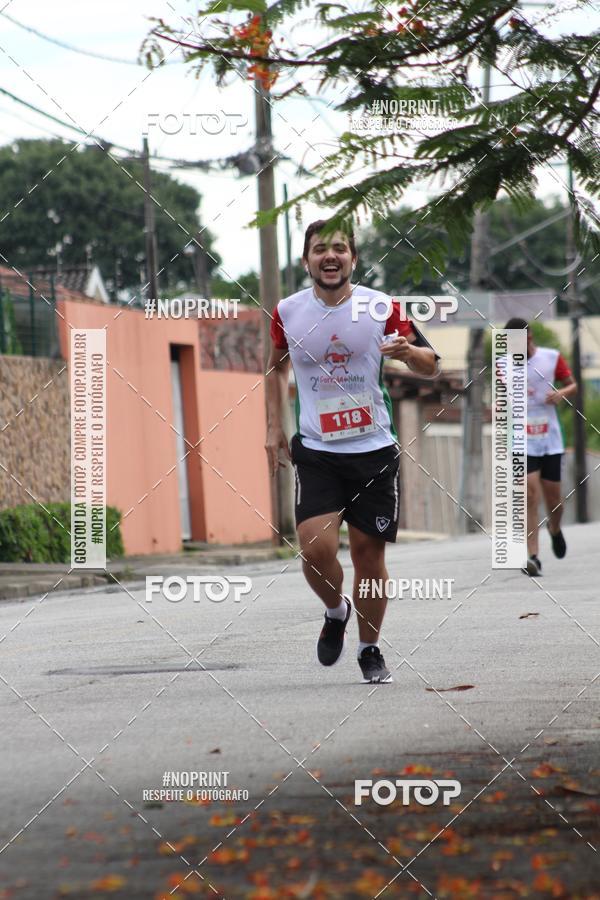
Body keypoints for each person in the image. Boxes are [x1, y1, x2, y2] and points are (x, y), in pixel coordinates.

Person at [265, 219, 439, 683]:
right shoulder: (287, 311)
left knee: (367, 555)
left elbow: (431, 365)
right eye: (320, 248)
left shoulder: (380, 307)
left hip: (374, 451)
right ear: (306, 261)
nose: (330, 256)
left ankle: (369, 648)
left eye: (339, 248)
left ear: (353, 259)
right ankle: (335, 610)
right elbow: (275, 368)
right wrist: (273, 428)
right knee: (315, 549)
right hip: (317, 449)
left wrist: (406, 352)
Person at [504, 318, 577, 577]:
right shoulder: (504, 366)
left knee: (553, 499)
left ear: (529, 336)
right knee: (529, 496)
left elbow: (573, 384)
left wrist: (561, 394)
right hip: (522, 440)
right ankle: (532, 556)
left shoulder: (551, 358)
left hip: (550, 439)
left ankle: (555, 529)